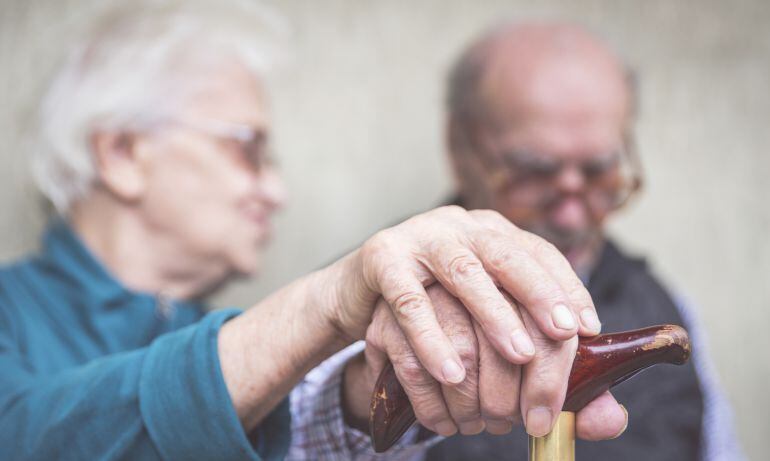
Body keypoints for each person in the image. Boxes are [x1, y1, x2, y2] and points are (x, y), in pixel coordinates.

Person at [0, 3, 627, 461]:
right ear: (121, 153)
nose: (277, 193)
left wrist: (394, 377)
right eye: (248, 150)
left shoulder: (209, 334)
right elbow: (28, 438)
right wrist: (324, 301)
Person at [424, 21, 743, 461]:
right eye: (534, 172)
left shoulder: (665, 307)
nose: (572, 215)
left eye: (598, 172)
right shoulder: (386, 312)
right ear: (460, 150)